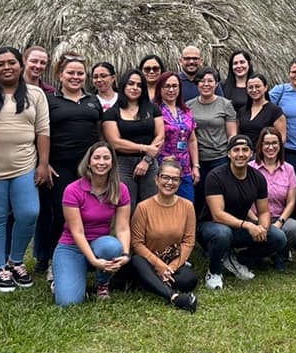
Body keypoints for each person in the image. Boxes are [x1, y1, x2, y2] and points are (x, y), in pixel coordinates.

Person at [0, 47, 50, 292]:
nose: (7, 67)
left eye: (11, 62)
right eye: (1, 63)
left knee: (29, 213)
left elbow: (43, 131)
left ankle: (16, 260)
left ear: (20, 65)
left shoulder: (35, 94)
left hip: (24, 165)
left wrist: (43, 164)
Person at [39, 53, 104, 278]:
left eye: (80, 73)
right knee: (61, 213)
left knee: (90, 213)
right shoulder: (50, 100)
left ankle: (85, 258)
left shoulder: (92, 100)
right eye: (71, 73)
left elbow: (100, 131)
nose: (75, 77)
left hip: (89, 168)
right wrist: (44, 162)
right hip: (60, 166)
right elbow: (42, 132)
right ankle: (53, 261)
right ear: (60, 75)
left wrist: (104, 160)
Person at [198, 135, 287, 288]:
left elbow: (264, 211)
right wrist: (248, 225)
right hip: (210, 227)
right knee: (222, 234)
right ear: (229, 154)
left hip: (238, 228)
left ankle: (238, 259)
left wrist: (263, 229)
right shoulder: (215, 176)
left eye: (245, 150)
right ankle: (214, 272)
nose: (240, 154)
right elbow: (217, 214)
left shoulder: (257, 177)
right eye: (236, 150)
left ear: (251, 153)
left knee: (278, 237)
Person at [52, 142, 131, 306]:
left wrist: (125, 254)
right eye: (96, 158)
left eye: (106, 158)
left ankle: (102, 284)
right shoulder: (72, 190)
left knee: (112, 246)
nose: (101, 162)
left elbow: (123, 228)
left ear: (112, 163)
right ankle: (63, 277)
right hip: (71, 246)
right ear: (88, 162)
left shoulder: (121, 189)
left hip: (99, 244)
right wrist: (94, 261)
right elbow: (77, 232)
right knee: (68, 302)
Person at [125, 159, 199, 312]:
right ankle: (174, 297)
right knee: (137, 262)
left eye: (175, 179)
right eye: (165, 177)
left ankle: (150, 283)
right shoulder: (143, 207)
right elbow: (136, 244)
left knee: (189, 280)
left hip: (172, 261)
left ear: (179, 182)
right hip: (147, 261)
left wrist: (170, 267)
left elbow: (189, 241)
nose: (169, 182)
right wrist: (159, 266)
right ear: (156, 179)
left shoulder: (187, 206)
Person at [102, 69, 164, 213]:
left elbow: (160, 136)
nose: (135, 88)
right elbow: (115, 142)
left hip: (149, 163)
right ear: (123, 85)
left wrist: (147, 159)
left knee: (152, 207)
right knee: (126, 208)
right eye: (131, 84)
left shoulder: (152, 109)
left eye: (139, 85)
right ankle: (127, 236)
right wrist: (144, 147)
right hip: (122, 164)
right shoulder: (112, 112)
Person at [186, 66, 238, 215]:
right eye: (202, 81)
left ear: (216, 84)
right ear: (197, 84)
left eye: (210, 81)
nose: (206, 84)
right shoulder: (189, 106)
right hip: (197, 159)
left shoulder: (225, 104)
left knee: (217, 195)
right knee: (198, 195)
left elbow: (232, 135)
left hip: (220, 158)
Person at [249, 127, 296, 270]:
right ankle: (257, 254)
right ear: (260, 146)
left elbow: (291, 202)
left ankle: (278, 254)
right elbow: (244, 200)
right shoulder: (250, 168)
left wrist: (279, 222)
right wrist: (256, 221)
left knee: (294, 228)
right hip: (254, 218)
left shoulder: (289, 169)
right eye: (266, 143)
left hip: (279, 217)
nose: (270, 147)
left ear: (280, 145)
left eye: (274, 143)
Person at [153, 72, 200, 201]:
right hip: (162, 167)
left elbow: (192, 139)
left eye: (175, 86)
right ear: (160, 88)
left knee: (187, 205)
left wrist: (195, 166)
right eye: (167, 86)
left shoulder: (186, 110)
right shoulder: (154, 110)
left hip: (184, 169)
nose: (171, 90)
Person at [237, 73, 286, 144]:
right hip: (246, 153)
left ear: (265, 88)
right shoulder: (242, 111)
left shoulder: (275, 111)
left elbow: (282, 138)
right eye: (250, 87)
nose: (254, 90)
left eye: (257, 86)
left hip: (266, 153)